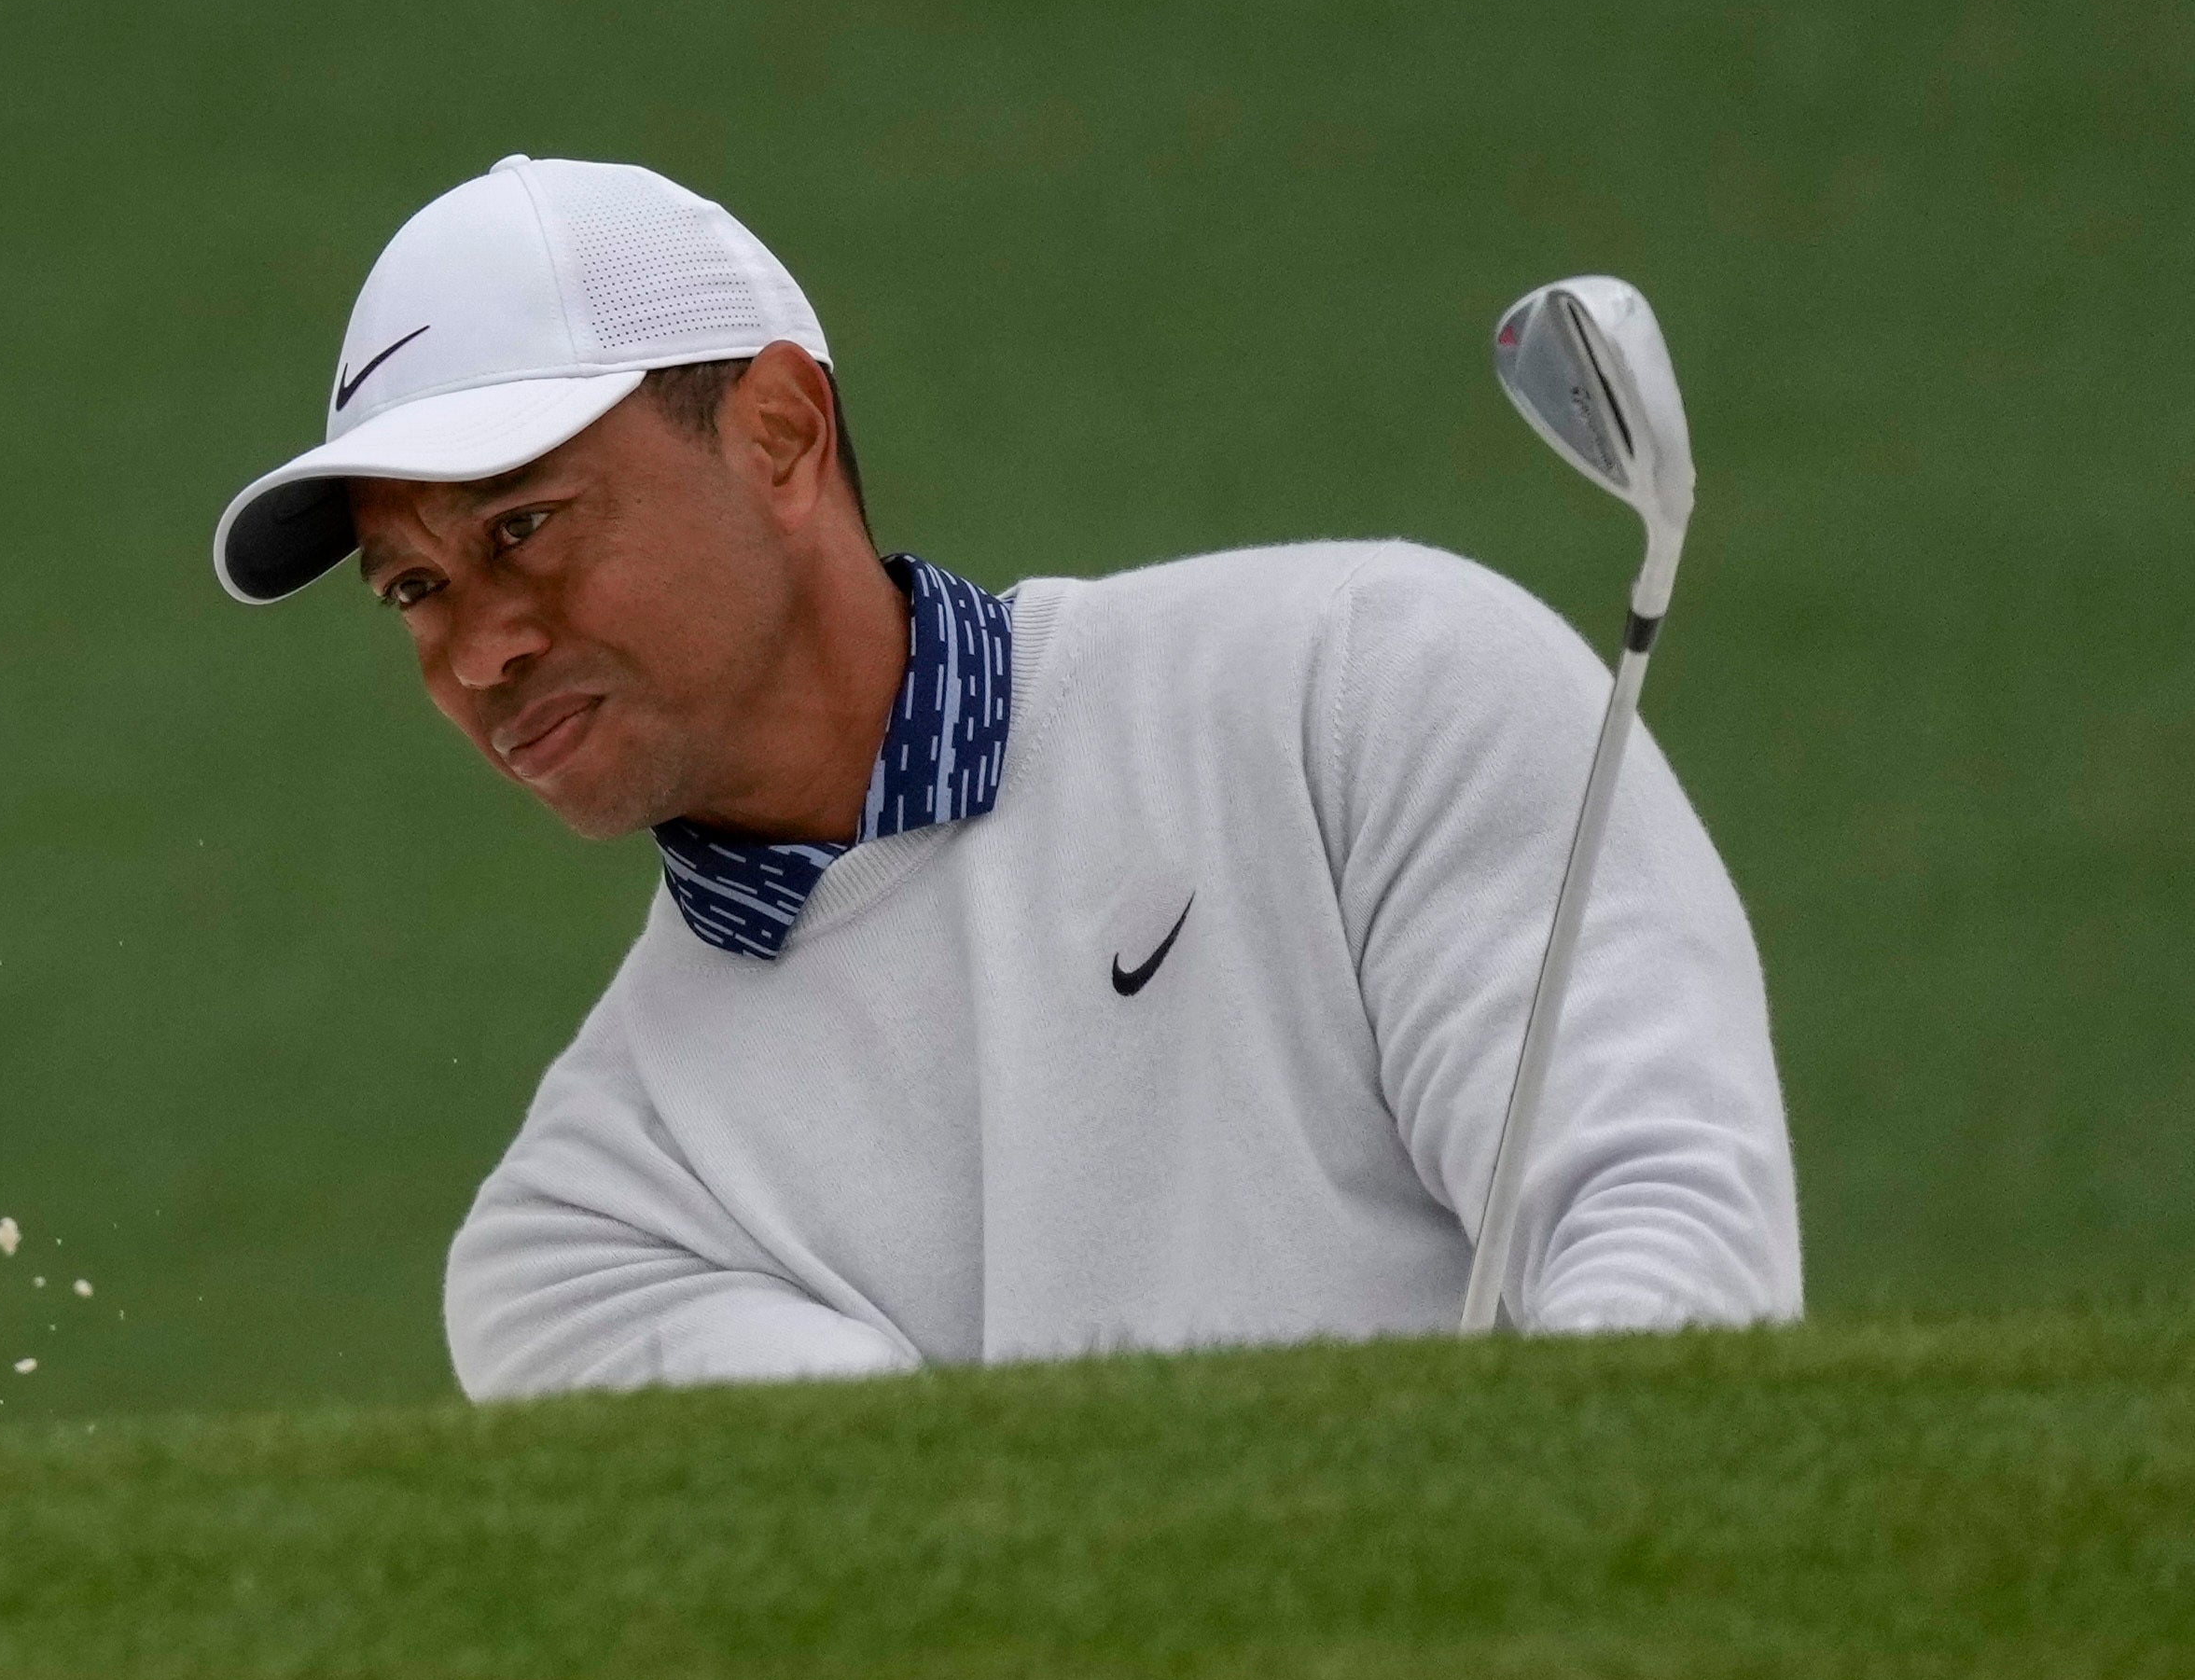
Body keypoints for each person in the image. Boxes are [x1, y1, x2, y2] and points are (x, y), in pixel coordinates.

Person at [211, 156, 1799, 1393]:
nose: (476, 650)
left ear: (775, 433)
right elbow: (949, 1565)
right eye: (415, 591)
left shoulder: (1364, 681)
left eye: (521, 530)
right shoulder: (587, 1230)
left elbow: (1666, 1240)